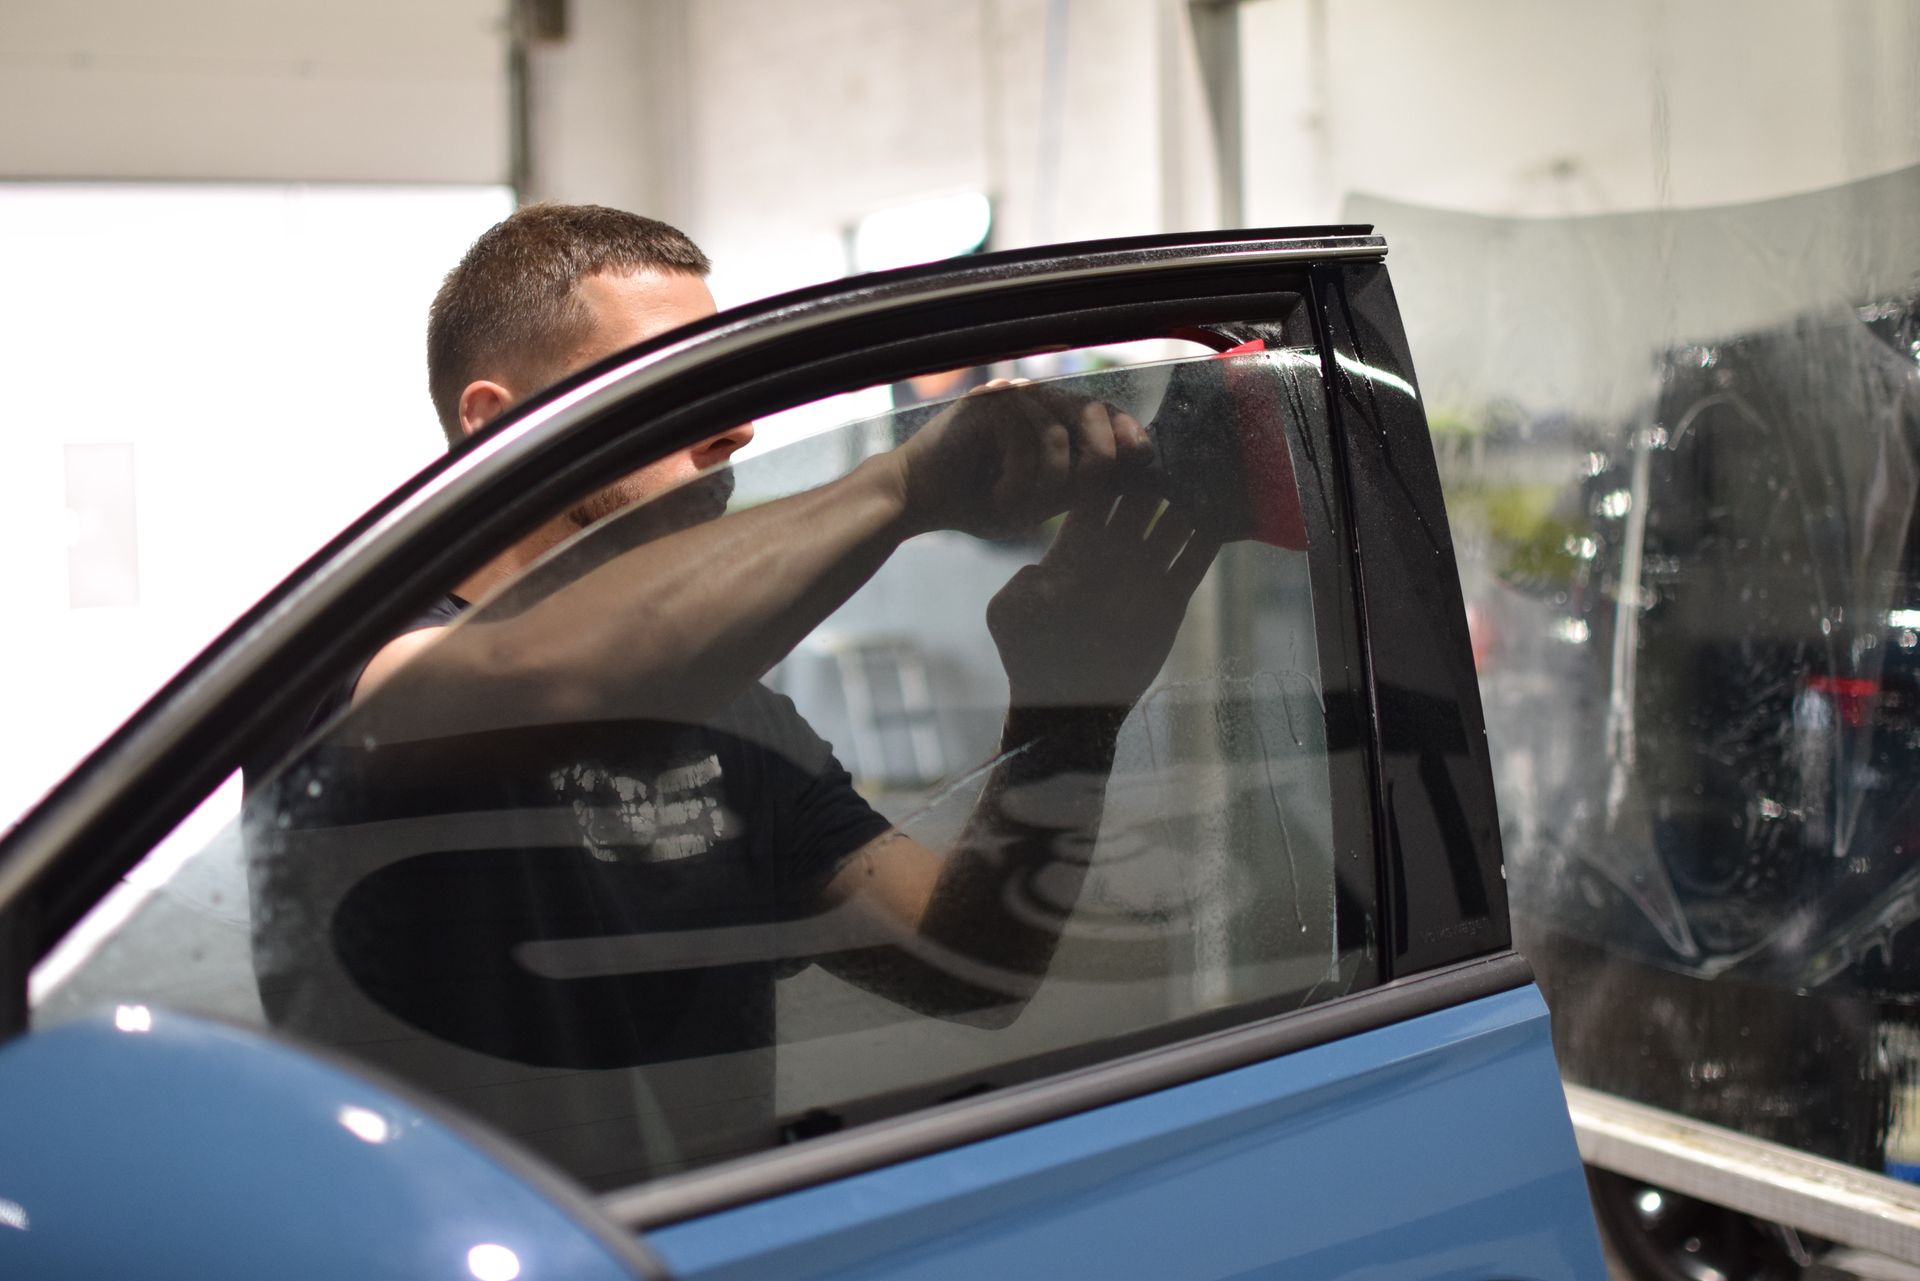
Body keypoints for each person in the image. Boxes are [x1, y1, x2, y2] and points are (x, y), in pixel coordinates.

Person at [248, 203, 1219, 1186]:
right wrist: (902, 489)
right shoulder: (347, 661)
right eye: (666, 383)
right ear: (502, 424)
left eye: (720, 381)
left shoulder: (736, 718)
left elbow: (971, 963)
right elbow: (547, 681)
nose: (738, 425)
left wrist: (1067, 705)